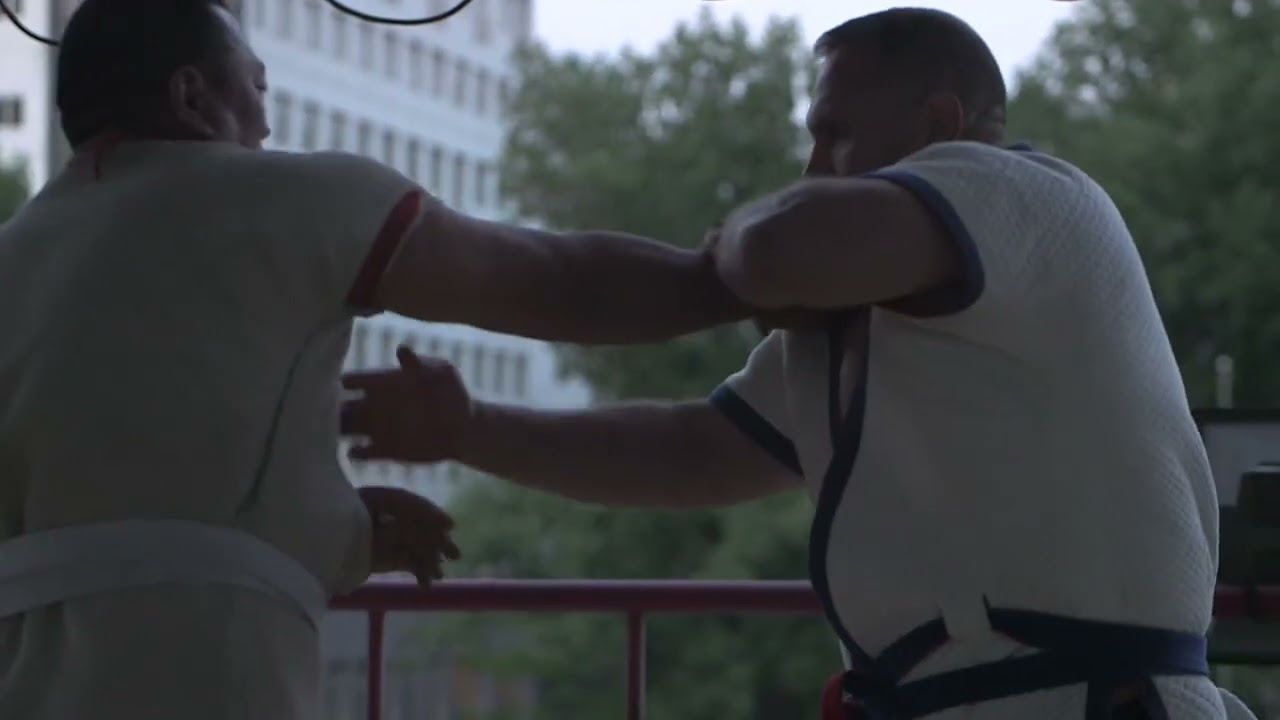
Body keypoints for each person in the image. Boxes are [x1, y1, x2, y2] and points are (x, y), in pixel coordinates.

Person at [339, 8, 1258, 720]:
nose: (814, 163)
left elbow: (777, 253)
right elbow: (689, 451)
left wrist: (726, 257)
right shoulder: (840, 332)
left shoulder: (1029, 195)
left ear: (943, 127)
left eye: (837, 134)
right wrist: (471, 430)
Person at [0, 1, 776, 719]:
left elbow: (115, 505)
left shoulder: (14, 255)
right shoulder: (296, 199)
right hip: (214, 680)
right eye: (256, 88)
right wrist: (745, 279)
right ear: (192, 97)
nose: (266, 126)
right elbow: (559, 285)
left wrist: (338, 531)